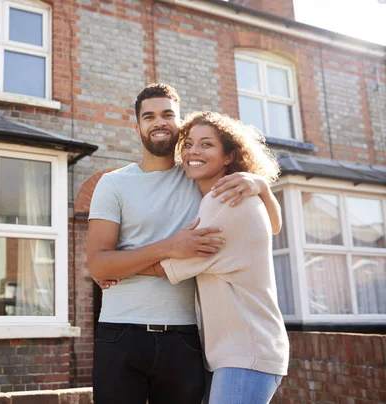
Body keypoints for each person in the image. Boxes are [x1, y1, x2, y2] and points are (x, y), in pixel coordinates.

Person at [87, 83, 282, 404]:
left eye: (168, 114)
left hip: (186, 336)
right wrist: (169, 246)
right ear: (137, 127)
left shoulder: (202, 179)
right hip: (121, 330)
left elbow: (270, 228)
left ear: (179, 124)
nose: (158, 121)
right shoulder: (113, 183)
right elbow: (98, 265)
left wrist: (261, 185)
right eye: (148, 116)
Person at [142, 111, 289, 404]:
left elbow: (164, 268)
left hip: (246, 352)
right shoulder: (236, 195)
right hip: (239, 352)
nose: (194, 151)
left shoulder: (224, 201)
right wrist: (262, 186)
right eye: (189, 144)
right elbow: (274, 227)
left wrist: (113, 266)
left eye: (206, 144)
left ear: (228, 157)